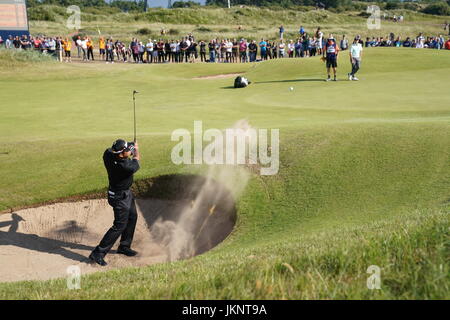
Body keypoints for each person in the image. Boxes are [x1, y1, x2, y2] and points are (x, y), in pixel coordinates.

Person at [89, 139, 141, 266]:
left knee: (132, 217)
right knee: (119, 226)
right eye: (127, 150)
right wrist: (136, 149)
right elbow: (137, 159)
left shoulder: (108, 155)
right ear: (122, 153)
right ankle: (98, 253)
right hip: (120, 197)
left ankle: (124, 246)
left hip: (123, 194)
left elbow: (121, 150)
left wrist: (130, 146)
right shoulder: (126, 167)